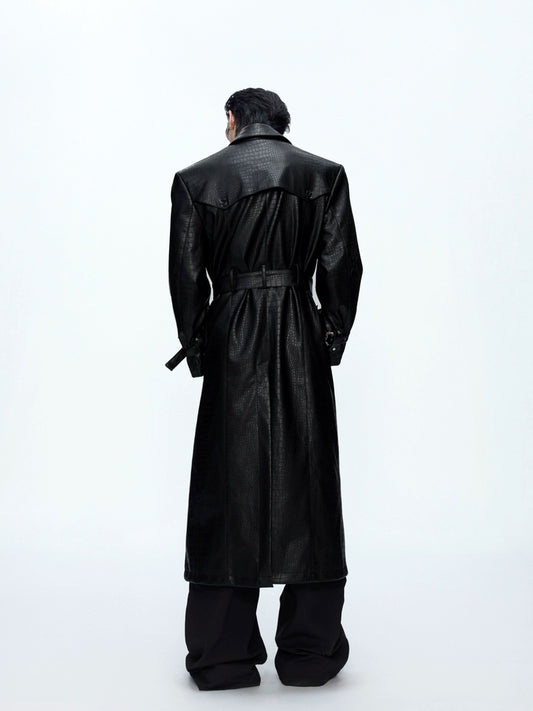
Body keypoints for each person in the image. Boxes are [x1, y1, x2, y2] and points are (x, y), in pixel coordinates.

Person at [165, 88, 363, 690]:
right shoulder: (324, 175)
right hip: (300, 330)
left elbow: (185, 277)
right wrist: (328, 339)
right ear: (281, 123)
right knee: (310, 486)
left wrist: (201, 348)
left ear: (232, 119)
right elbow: (343, 267)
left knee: (228, 489)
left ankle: (222, 656)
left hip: (231, 336)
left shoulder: (197, 180)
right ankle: (310, 653)